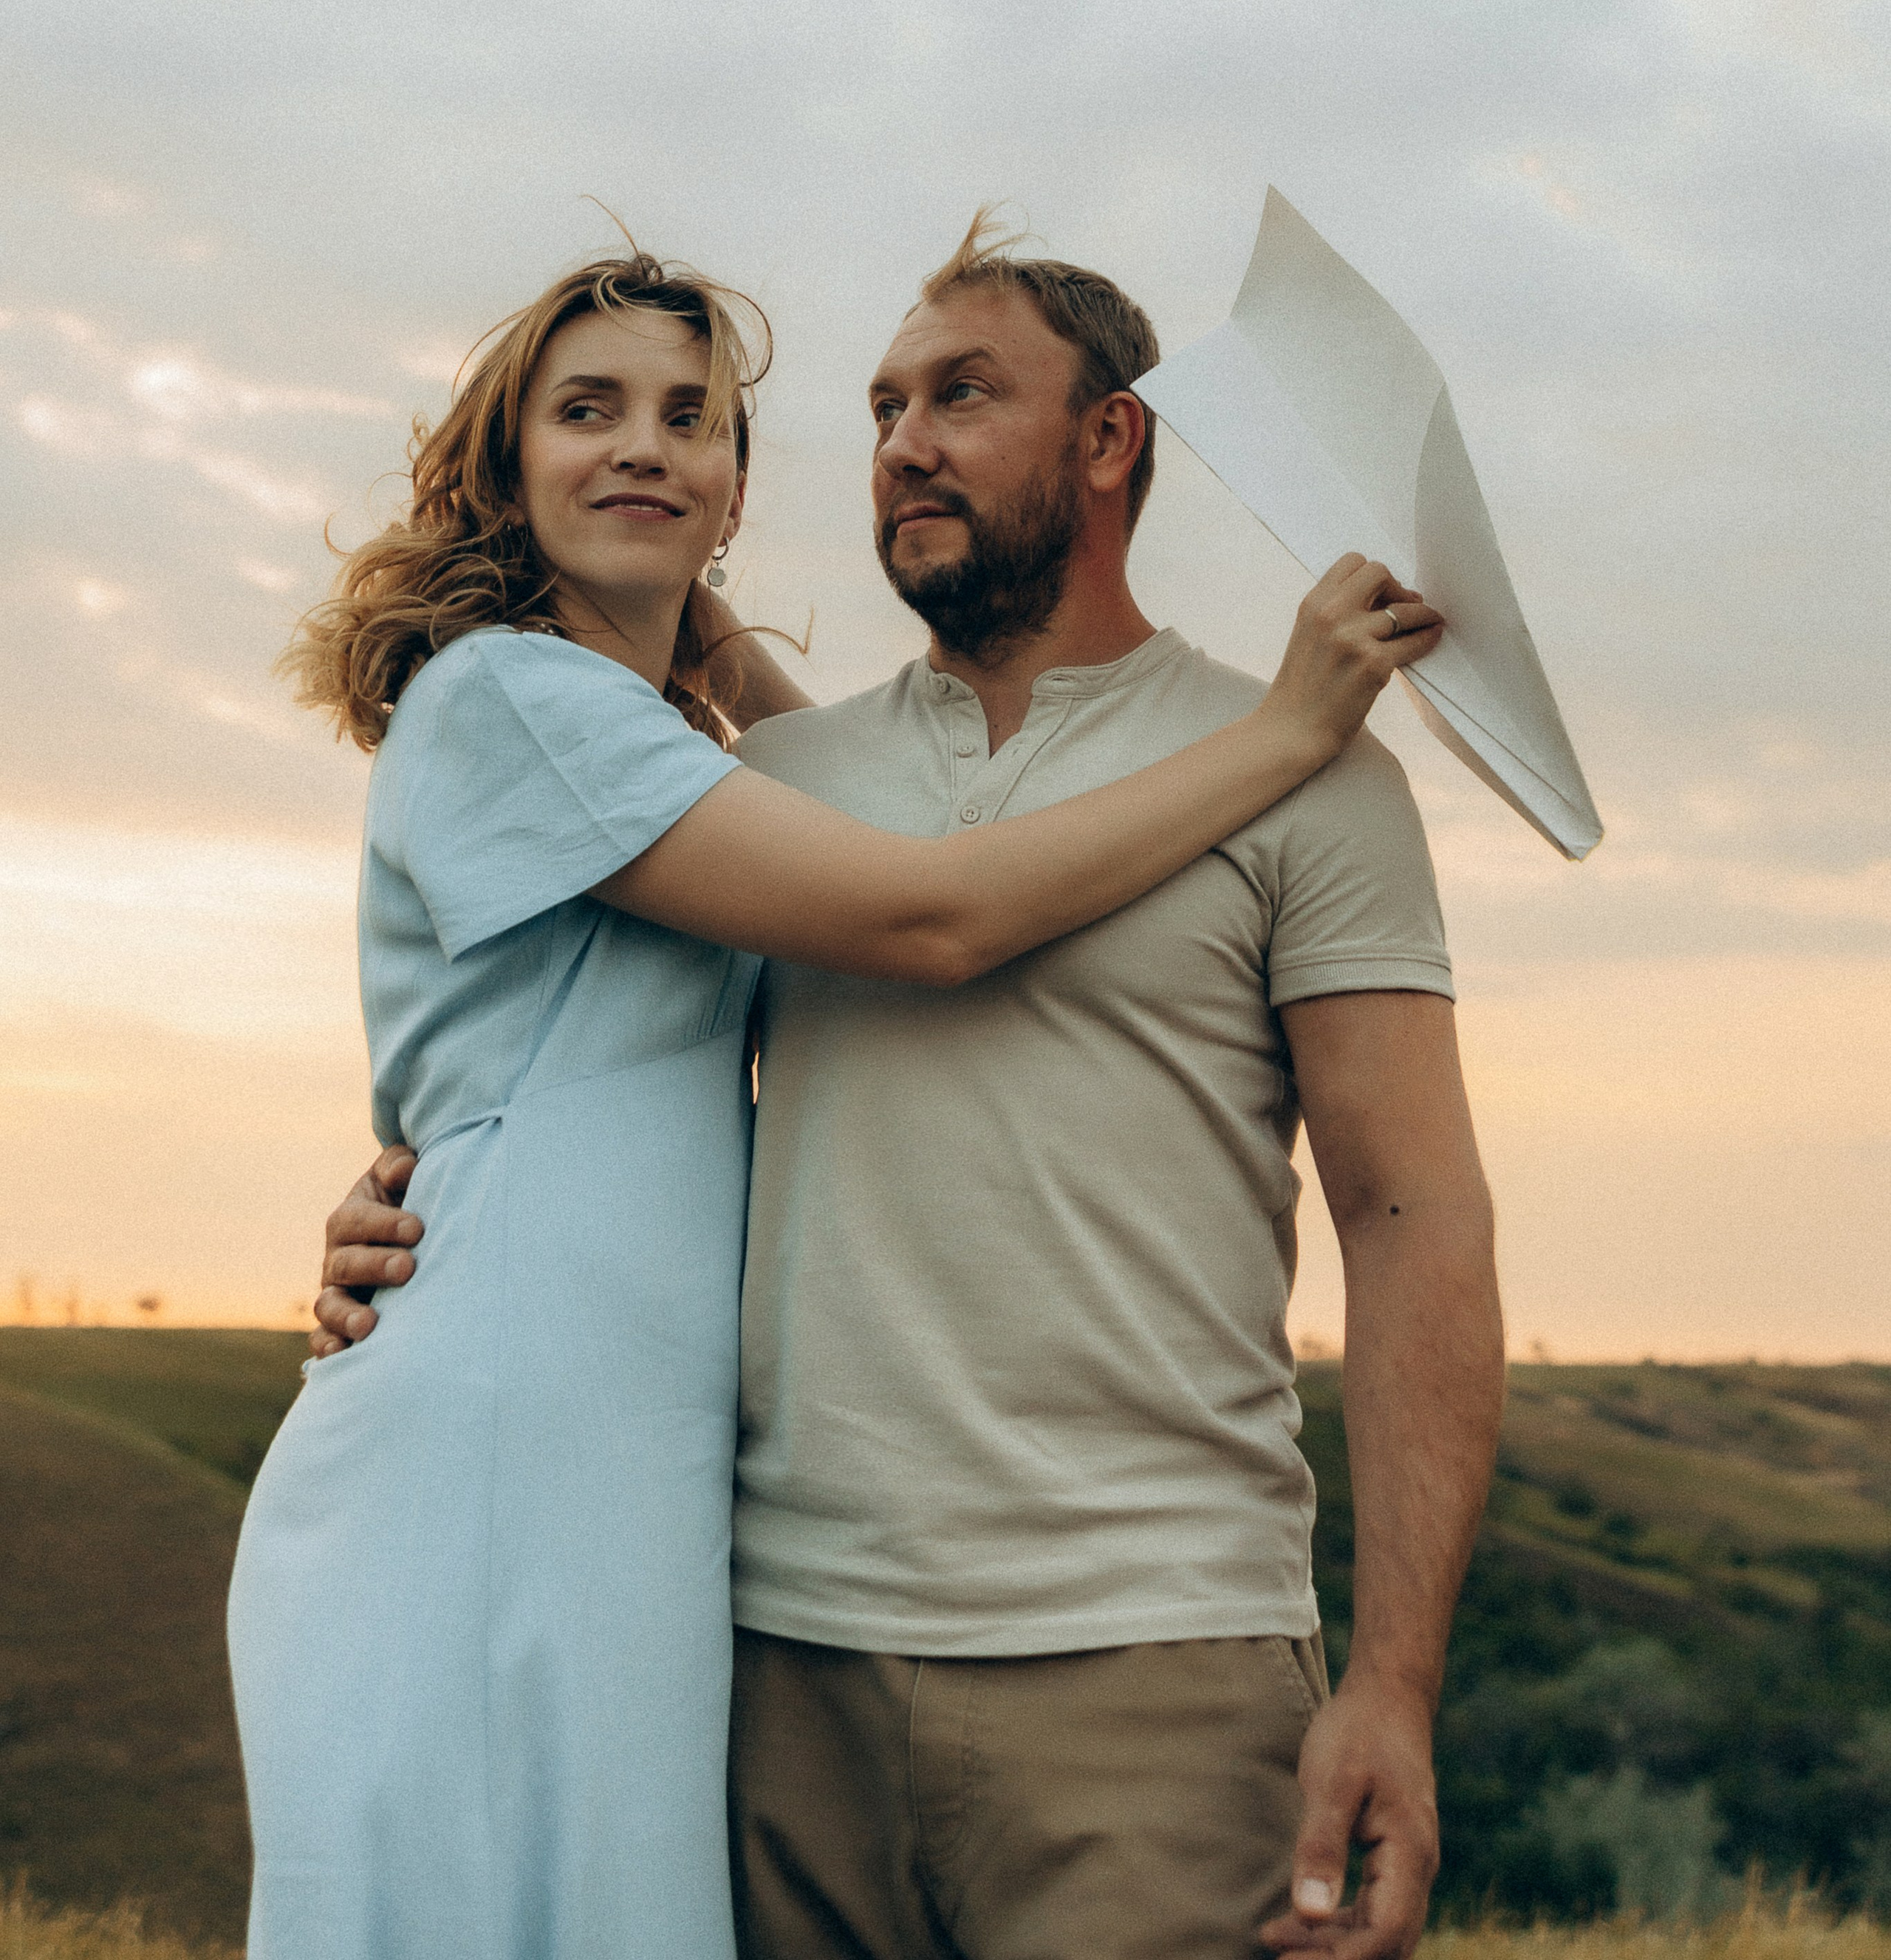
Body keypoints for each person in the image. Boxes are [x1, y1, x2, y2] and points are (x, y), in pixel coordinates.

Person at [231, 241, 1440, 1960]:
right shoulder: (531, 705)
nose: (901, 440)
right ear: (504, 461)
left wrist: (704, 622)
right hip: (628, 1535)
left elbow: (880, 844)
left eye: (690, 421)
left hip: (939, 1592)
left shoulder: (719, 764)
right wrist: (1290, 724)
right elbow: (925, 909)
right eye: (586, 413)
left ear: (1111, 441)